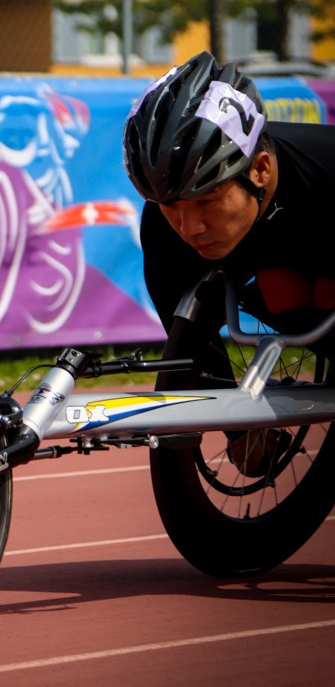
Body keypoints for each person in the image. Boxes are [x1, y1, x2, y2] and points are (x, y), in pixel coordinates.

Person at [122, 50, 335, 474]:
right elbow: (189, 353)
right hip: (291, 264)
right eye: (171, 207)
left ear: (260, 169)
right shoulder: (167, 226)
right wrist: (239, 431)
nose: (189, 227)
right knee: (283, 295)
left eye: (206, 202)